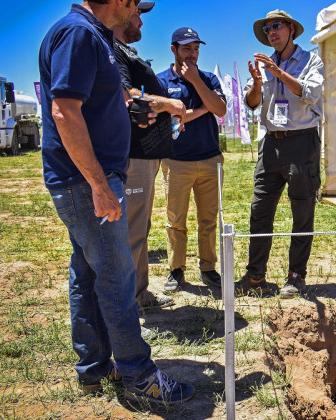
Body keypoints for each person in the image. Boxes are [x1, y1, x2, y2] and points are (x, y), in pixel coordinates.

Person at [38, 0, 193, 403]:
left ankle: (94, 369)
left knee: (88, 275)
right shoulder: (79, 33)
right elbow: (63, 111)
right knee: (116, 276)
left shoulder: (94, 36)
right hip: (86, 181)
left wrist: (137, 108)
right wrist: (98, 184)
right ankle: (139, 376)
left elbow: (99, 100)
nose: (136, 10)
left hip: (86, 180)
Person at [235, 10, 324, 299]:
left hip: (301, 142)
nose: (271, 32)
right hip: (270, 143)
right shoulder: (264, 66)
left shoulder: (311, 60)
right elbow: (251, 102)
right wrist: (259, 84)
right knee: (260, 210)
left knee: (302, 210)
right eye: (267, 29)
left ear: (290, 30)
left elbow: (309, 93)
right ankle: (255, 275)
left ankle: (296, 275)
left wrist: (277, 72)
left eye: (276, 27)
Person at [112, 1, 186, 310]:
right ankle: (129, 300)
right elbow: (125, 93)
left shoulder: (124, 49)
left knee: (140, 226)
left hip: (146, 154)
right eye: (138, 12)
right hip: (134, 154)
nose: (141, 21)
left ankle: (139, 294)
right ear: (122, 11)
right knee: (132, 228)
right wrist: (171, 105)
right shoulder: (112, 49)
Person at [156, 27, 227, 292]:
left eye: (196, 49)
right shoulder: (161, 81)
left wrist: (197, 82)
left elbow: (219, 109)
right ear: (173, 49)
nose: (192, 54)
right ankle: (176, 270)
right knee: (176, 220)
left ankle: (208, 267)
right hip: (176, 161)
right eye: (187, 48)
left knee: (209, 219)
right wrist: (200, 109)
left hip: (210, 159)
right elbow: (164, 116)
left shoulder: (207, 79)